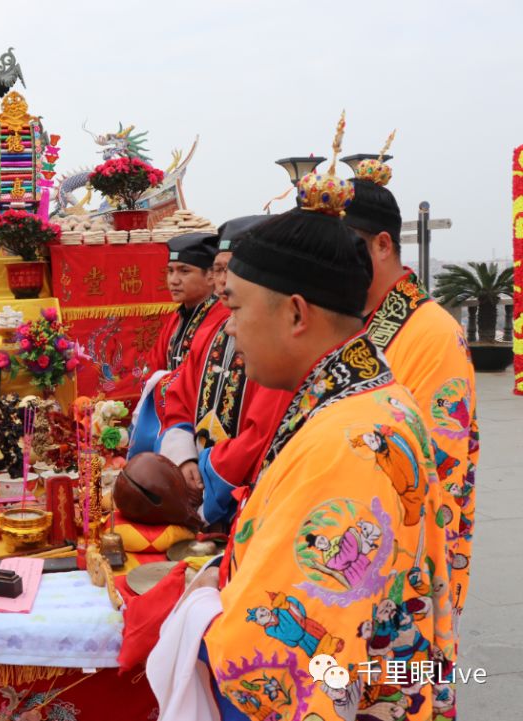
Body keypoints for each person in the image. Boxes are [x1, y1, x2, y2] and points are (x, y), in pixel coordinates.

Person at [147, 191, 456, 720]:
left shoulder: (350, 441)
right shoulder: (348, 398)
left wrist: (194, 615)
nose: (228, 328)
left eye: (237, 307)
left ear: (296, 313)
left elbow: (275, 659)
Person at [344, 154, 478, 618]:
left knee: (406, 686)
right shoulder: (357, 321)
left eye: (345, 250)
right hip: (354, 555)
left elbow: (437, 467)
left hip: (404, 565)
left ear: (382, 245)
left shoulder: (432, 333)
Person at [155, 216, 292, 525]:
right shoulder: (211, 329)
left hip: (241, 495)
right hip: (200, 477)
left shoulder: (276, 342)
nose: (223, 281)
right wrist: (184, 457)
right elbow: (179, 394)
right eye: (218, 269)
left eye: (230, 269)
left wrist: (207, 473)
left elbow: (261, 433)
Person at [129, 232, 229, 457]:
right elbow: (154, 367)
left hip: (201, 429)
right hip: (170, 423)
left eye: (184, 271)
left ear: (211, 276)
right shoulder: (177, 318)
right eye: (170, 271)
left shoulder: (222, 319)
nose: (173, 280)